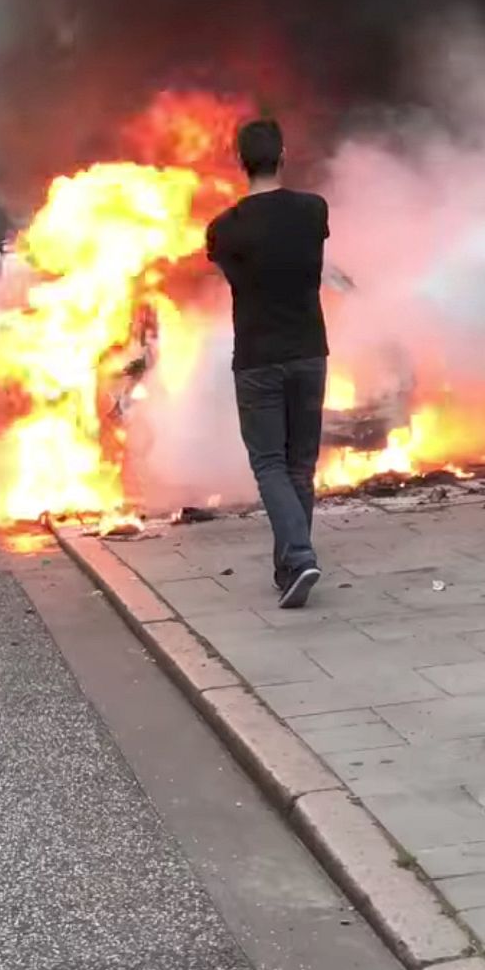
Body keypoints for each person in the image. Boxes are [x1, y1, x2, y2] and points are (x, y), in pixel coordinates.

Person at [206, 119, 330, 609]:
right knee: (300, 464)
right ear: (284, 154)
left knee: (270, 463)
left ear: (240, 162)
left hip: (257, 357)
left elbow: (232, 273)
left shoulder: (225, 228)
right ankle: (290, 568)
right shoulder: (313, 210)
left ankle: (298, 556)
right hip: (309, 352)